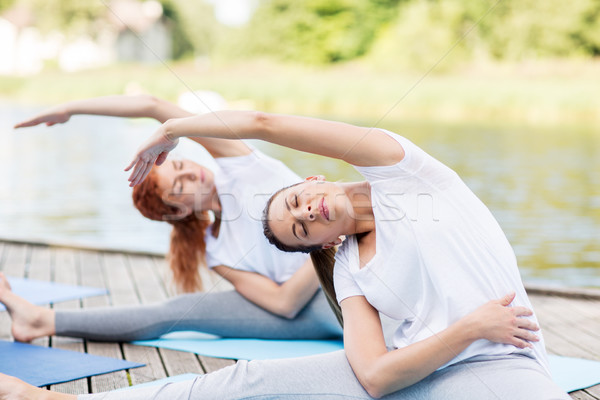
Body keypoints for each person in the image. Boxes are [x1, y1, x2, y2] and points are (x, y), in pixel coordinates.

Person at [0, 111, 569, 399]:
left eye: (298, 200)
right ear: (318, 246)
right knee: (246, 381)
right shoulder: (346, 267)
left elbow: (265, 124)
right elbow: (372, 375)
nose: (307, 212)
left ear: (314, 179)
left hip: (503, 366)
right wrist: (466, 328)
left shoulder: (409, 174)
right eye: (300, 228)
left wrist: (170, 126)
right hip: (434, 362)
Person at [1, 96, 342, 345]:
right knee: (175, 311)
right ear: (179, 211)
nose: (192, 173)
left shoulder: (241, 164)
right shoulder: (218, 251)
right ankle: (40, 320)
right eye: (181, 186)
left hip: (348, 278)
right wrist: (330, 242)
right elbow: (284, 304)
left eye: (180, 165)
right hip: (312, 307)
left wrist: (71, 108)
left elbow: (154, 107)